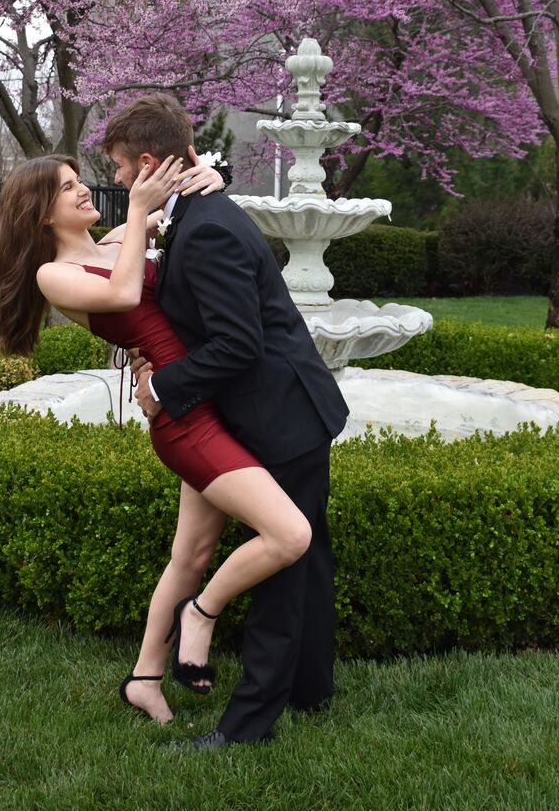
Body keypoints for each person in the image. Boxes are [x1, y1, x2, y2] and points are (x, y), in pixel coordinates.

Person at [0, 150, 312, 727]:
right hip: (185, 422)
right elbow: (126, 294)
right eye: (67, 189)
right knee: (290, 535)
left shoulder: (111, 243)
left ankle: (144, 679)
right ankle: (201, 616)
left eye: (81, 181)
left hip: (204, 399)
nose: (84, 191)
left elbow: (179, 200)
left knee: (190, 556)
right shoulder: (55, 274)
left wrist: (213, 174)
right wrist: (137, 215)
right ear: (39, 215)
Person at [102, 93, 349, 751]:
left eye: (123, 170)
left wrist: (163, 386)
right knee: (309, 560)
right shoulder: (196, 210)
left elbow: (237, 345)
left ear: (151, 161)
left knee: (283, 572)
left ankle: (245, 729)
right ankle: (310, 689)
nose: (119, 182)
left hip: (283, 418)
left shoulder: (207, 225)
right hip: (294, 407)